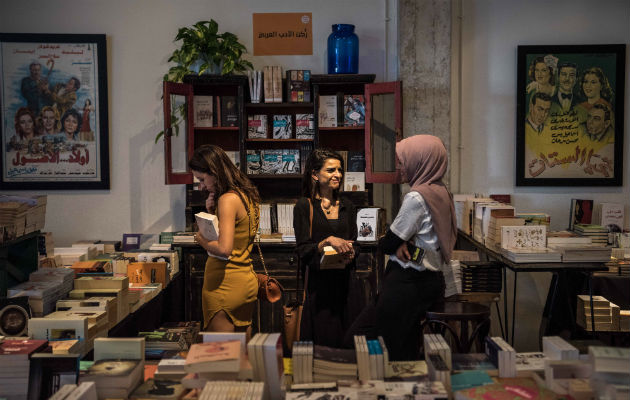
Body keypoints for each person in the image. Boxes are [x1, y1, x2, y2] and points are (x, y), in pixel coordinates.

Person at [374, 134, 457, 361]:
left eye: (402, 161)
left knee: (387, 346)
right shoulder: (441, 192)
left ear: (421, 161)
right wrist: (404, 242)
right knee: (409, 346)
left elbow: (388, 243)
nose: (398, 167)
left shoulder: (417, 197)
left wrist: (395, 242)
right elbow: (432, 247)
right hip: (432, 281)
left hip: (407, 282)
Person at [189, 144, 261, 339]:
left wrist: (201, 239)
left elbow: (224, 248)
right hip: (244, 281)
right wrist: (211, 213)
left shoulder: (227, 199)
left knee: (221, 359)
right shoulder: (247, 194)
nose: (201, 186)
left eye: (202, 179)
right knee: (240, 356)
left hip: (224, 284)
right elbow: (236, 238)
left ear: (214, 171)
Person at [293, 149, 358, 348]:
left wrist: (352, 252)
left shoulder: (348, 205)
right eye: (330, 170)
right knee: (322, 344)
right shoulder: (304, 207)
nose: (337, 174)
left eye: (339, 170)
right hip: (318, 289)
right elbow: (302, 250)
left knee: (348, 343)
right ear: (315, 174)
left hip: (346, 285)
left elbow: (356, 242)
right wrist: (326, 241)